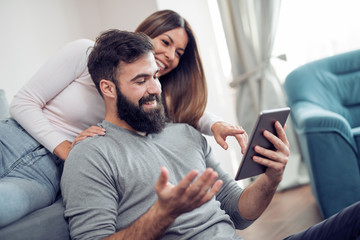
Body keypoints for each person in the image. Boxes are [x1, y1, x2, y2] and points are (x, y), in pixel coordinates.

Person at [61, 29, 360, 240]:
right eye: (140, 80)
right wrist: (163, 214)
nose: (154, 88)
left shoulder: (185, 134)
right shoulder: (91, 154)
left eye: (154, 76)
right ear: (108, 88)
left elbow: (239, 212)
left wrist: (272, 178)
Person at [0, 10, 247, 227]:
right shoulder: (85, 52)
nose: (171, 55)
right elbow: (23, 102)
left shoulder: (150, 92)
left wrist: (215, 123)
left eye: (179, 52)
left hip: (48, 174)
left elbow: (188, 110)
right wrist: (66, 148)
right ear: (147, 33)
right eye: (166, 42)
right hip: (14, 139)